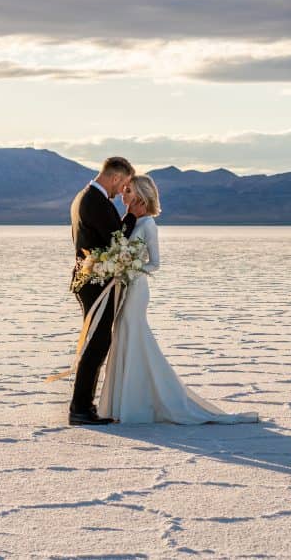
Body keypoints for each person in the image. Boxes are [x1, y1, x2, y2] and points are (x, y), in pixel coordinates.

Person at [98, 174, 259, 425]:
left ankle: (138, 404)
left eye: (128, 191)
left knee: (135, 336)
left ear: (140, 196)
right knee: (123, 336)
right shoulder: (129, 222)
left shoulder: (149, 225)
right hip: (125, 288)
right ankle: (122, 404)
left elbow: (155, 263)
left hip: (137, 289)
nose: (123, 194)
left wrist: (130, 270)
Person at [67, 156, 148, 426]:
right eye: (123, 184)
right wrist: (132, 217)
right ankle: (80, 409)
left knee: (98, 340)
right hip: (96, 283)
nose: (122, 191)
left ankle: (83, 407)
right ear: (115, 178)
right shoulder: (95, 201)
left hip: (90, 278)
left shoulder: (83, 196)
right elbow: (117, 241)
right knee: (98, 341)